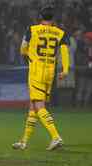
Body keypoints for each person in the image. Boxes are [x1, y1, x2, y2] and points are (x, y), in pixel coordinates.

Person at [12, 5, 70, 151]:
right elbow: (64, 51)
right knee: (33, 106)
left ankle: (56, 137)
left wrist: (28, 55)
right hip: (50, 72)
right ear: (53, 18)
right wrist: (65, 69)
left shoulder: (32, 30)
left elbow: (22, 49)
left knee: (39, 106)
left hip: (36, 71)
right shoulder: (60, 33)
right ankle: (24, 141)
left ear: (40, 17)